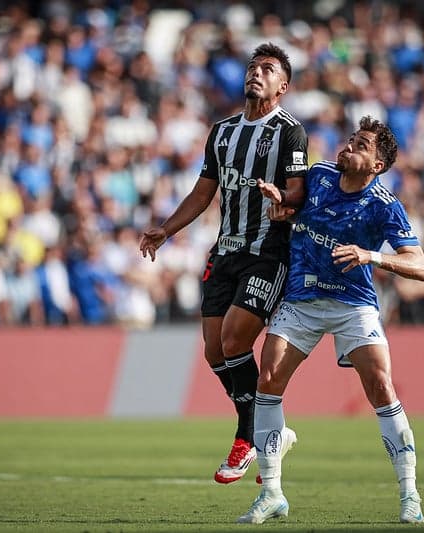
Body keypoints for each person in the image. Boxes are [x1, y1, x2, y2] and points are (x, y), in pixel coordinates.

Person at [236, 116, 424, 525]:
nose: (349, 146)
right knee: (267, 379)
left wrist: (370, 255)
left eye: (361, 144)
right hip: (302, 298)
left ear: (376, 165)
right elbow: (293, 209)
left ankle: (410, 494)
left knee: (381, 386)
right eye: (351, 139)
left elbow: (420, 266)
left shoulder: (384, 205)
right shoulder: (320, 174)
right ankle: (271, 492)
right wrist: (281, 207)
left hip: (353, 304)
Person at [139, 43, 308, 484]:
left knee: (235, 339)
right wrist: (166, 228)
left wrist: (282, 200)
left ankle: (247, 436)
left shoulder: (291, 132)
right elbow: (203, 192)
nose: (256, 73)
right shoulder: (222, 131)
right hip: (225, 251)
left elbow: (299, 193)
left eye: (267, 69)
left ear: (282, 86)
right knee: (215, 349)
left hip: (268, 252)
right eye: (253, 67)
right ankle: (272, 429)